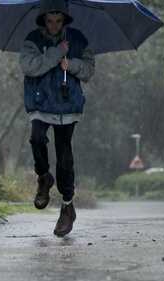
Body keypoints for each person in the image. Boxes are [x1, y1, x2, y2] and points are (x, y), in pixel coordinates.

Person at [19, 0, 95, 237]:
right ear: (43, 20)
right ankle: (43, 177)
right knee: (36, 138)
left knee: (64, 156)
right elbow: (30, 67)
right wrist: (56, 53)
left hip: (66, 105)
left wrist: (70, 63)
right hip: (40, 104)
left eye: (58, 21)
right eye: (49, 21)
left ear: (64, 20)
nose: (53, 25)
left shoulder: (78, 39)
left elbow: (89, 70)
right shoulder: (32, 40)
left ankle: (67, 206)